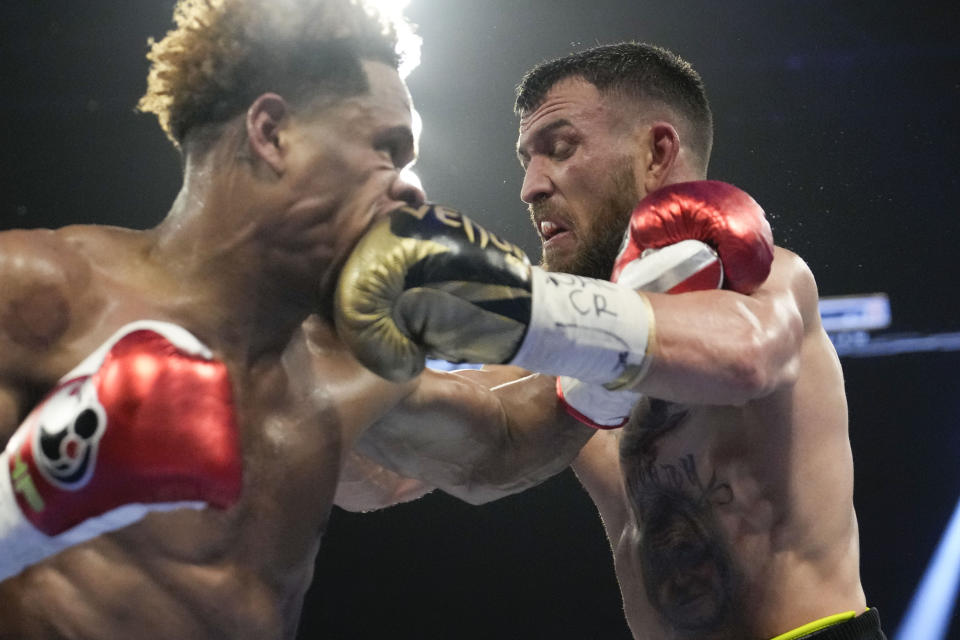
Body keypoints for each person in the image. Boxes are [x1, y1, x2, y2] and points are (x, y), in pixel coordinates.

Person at [0, 1, 591, 637]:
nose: (413, 188)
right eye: (386, 149)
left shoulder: (343, 364)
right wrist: (29, 505)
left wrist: (624, 328)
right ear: (273, 133)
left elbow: (502, 438)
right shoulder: (37, 290)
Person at [340, 43, 887, 639]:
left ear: (657, 153)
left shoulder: (767, 278)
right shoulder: (570, 355)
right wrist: (296, 354)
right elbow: (378, 476)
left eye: (560, 147)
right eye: (526, 158)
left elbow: (747, 355)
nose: (530, 185)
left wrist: (512, 304)